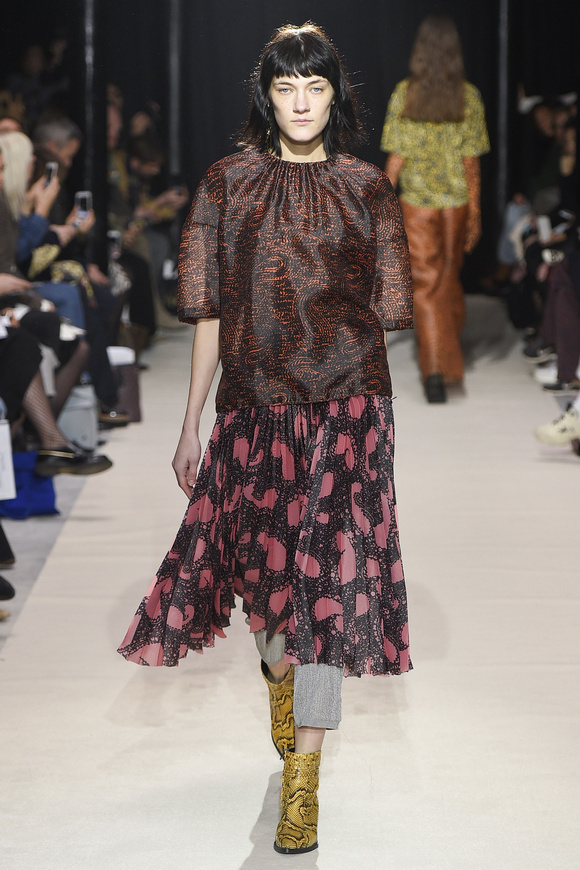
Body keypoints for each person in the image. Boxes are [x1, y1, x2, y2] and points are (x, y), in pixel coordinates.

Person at [118, 23, 413, 855]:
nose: (302, 102)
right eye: (287, 87)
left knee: (326, 591)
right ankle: (283, 690)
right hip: (254, 410)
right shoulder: (230, 182)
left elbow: (387, 310)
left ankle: (303, 784)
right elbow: (210, 311)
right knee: (265, 582)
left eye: (315, 86)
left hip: (348, 410)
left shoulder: (366, 187)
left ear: (335, 94)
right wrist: (190, 421)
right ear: (267, 94)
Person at [381, 14, 490, 402]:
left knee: (430, 286)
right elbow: (470, 162)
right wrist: (474, 212)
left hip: (417, 205)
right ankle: (438, 369)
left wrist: (381, 203)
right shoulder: (469, 96)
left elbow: (397, 157)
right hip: (455, 204)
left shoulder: (405, 93)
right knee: (445, 279)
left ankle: (438, 364)